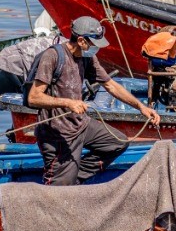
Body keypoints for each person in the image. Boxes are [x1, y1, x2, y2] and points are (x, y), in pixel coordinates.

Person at [27, 16, 161, 186]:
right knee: (57, 193)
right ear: (81, 40)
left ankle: (73, 178)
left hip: (81, 124)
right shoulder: (53, 56)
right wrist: (67, 103)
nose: (96, 49)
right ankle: (65, 180)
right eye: (94, 44)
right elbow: (34, 97)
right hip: (58, 134)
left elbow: (111, 85)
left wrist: (141, 107)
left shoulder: (87, 57)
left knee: (117, 143)